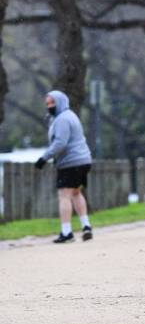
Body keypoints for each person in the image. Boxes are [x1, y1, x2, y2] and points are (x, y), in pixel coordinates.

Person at [34, 90, 93, 243]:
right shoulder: (71, 115)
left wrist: (44, 158)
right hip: (83, 160)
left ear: (60, 102)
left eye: (52, 102)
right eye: (47, 104)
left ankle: (66, 232)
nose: (49, 106)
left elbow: (60, 142)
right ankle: (86, 226)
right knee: (76, 193)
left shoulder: (62, 119)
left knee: (64, 196)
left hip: (70, 162)